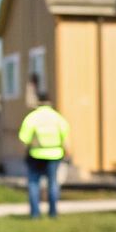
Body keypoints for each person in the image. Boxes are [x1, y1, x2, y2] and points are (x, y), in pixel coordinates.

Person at [18, 90, 69, 219]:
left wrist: (26, 151)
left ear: (38, 102)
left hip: (35, 155)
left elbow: (24, 139)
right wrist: (67, 152)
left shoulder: (32, 117)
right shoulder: (57, 117)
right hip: (55, 154)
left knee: (34, 183)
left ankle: (35, 214)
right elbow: (66, 137)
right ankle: (53, 213)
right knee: (53, 183)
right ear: (50, 102)